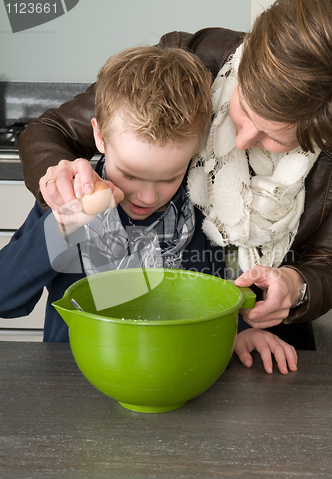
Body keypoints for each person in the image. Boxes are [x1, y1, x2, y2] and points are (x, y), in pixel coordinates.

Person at [1, 45, 296, 373]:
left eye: (170, 177)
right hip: (77, 383)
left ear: (195, 149)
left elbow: (214, 296)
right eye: (129, 174)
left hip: (183, 379)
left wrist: (241, 334)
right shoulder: (71, 200)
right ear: (99, 136)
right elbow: (5, 297)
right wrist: (62, 229)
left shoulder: (207, 210)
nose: (147, 196)